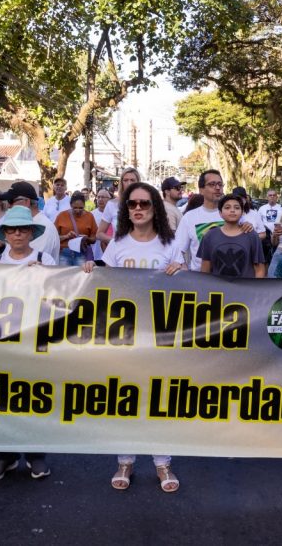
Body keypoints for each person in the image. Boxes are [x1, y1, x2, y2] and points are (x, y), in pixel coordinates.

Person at [81, 182, 184, 491]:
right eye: (132, 204)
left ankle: (162, 463)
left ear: (155, 207)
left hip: (160, 335)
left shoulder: (171, 243)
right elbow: (104, 280)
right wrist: (91, 268)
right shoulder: (118, 243)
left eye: (144, 203)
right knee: (125, 398)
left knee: (158, 399)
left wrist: (182, 269)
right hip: (123, 335)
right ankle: (125, 460)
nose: (138, 209)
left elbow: (188, 285)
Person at [0, 206, 53, 481]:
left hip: (34, 338)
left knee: (33, 398)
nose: (17, 234)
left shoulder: (45, 258)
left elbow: (63, 291)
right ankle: (4, 456)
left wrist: (46, 274)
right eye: (12, 229)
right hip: (3, 341)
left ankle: (35, 456)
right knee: (2, 400)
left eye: (23, 229)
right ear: (5, 233)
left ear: (31, 233)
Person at [198, 194, 265, 278]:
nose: (232, 210)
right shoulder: (210, 236)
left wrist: (256, 290)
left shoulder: (252, 235)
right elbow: (205, 269)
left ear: (242, 212)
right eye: (227, 207)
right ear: (220, 213)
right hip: (218, 289)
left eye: (237, 208)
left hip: (245, 288)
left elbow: (259, 269)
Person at [173, 169, 226, 271]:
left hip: (230, 281)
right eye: (212, 184)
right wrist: (182, 266)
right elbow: (177, 250)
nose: (218, 188)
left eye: (220, 184)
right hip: (201, 281)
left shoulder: (234, 214)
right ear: (201, 190)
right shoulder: (189, 217)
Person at [0, 181, 60, 264]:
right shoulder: (35, 223)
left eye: (11, 201)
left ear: (26, 202)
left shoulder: (44, 227)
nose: (9, 205)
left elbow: (27, 263)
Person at [98, 168, 140, 250]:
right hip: (119, 253)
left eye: (132, 180)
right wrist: (115, 241)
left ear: (138, 182)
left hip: (140, 252)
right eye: (125, 180)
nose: (129, 183)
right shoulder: (112, 204)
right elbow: (99, 233)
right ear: (121, 183)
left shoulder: (146, 204)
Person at [55, 192, 98, 266]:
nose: (78, 210)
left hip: (81, 253)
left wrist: (86, 239)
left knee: (81, 277)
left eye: (81, 208)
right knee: (64, 277)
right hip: (64, 253)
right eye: (75, 208)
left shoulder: (89, 216)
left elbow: (94, 239)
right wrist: (66, 236)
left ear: (84, 205)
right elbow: (54, 238)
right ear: (70, 205)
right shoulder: (62, 216)